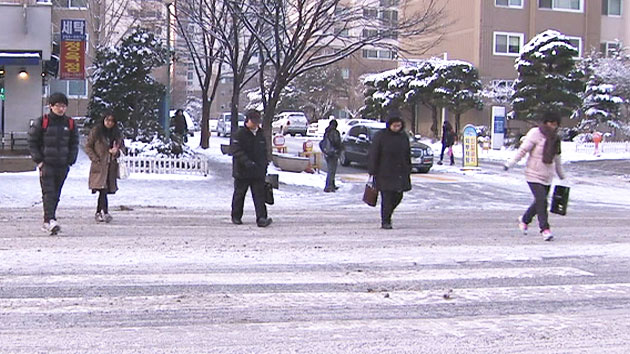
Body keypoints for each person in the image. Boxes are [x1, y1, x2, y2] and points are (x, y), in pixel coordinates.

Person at [504, 112, 566, 241]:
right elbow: (523, 150)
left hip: (547, 176)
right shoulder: (535, 133)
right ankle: (545, 229)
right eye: (551, 123)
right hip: (533, 174)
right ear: (545, 122)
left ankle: (525, 219)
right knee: (542, 201)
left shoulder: (555, 138)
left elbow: (557, 159)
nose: (553, 127)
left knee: (539, 201)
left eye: (555, 124)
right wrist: (510, 163)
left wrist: (561, 175)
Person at [27, 92, 79, 235]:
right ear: (51, 106)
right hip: (47, 164)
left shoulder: (70, 123)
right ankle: (50, 219)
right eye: (58, 106)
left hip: (62, 164)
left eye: (63, 106)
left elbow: (74, 142)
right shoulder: (42, 122)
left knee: (56, 193)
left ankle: (48, 220)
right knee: (48, 192)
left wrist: (70, 159)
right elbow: (32, 142)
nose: (61, 109)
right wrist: (39, 160)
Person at [367, 111, 412, 230]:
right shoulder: (381, 136)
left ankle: (388, 213)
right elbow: (374, 154)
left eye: (399, 125)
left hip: (400, 172)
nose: (397, 128)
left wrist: (408, 168)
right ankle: (385, 221)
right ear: (389, 125)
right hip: (384, 171)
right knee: (386, 197)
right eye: (395, 125)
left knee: (398, 196)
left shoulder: (403, 137)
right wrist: (372, 169)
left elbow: (407, 154)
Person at [231, 109, 273, 227]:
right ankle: (236, 216)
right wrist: (246, 162)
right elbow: (236, 150)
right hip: (242, 171)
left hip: (257, 171)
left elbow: (264, 151)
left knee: (259, 195)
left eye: (257, 122)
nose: (255, 124)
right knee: (240, 194)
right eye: (253, 122)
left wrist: (264, 165)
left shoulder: (260, 133)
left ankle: (262, 218)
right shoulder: (240, 134)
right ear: (247, 120)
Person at [85, 112, 125, 223]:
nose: (109, 123)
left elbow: (122, 148)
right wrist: (95, 158)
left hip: (111, 165)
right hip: (99, 164)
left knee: (105, 188)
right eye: (107, 120)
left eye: (112, 121)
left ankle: (101, 212)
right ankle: (103, 212)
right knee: (102, 189)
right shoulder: (97, 131)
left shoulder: (116, 134)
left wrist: (116, 152)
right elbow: (88, 146)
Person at [321, 119, 342, 192]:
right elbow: (336, 142)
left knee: (330, 169)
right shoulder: (334, 132)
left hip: (327, 153)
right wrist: (339, 149)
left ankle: (331, 184)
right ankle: (329, 186)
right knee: (332, 170)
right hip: (333, 153)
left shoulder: (326, 132)